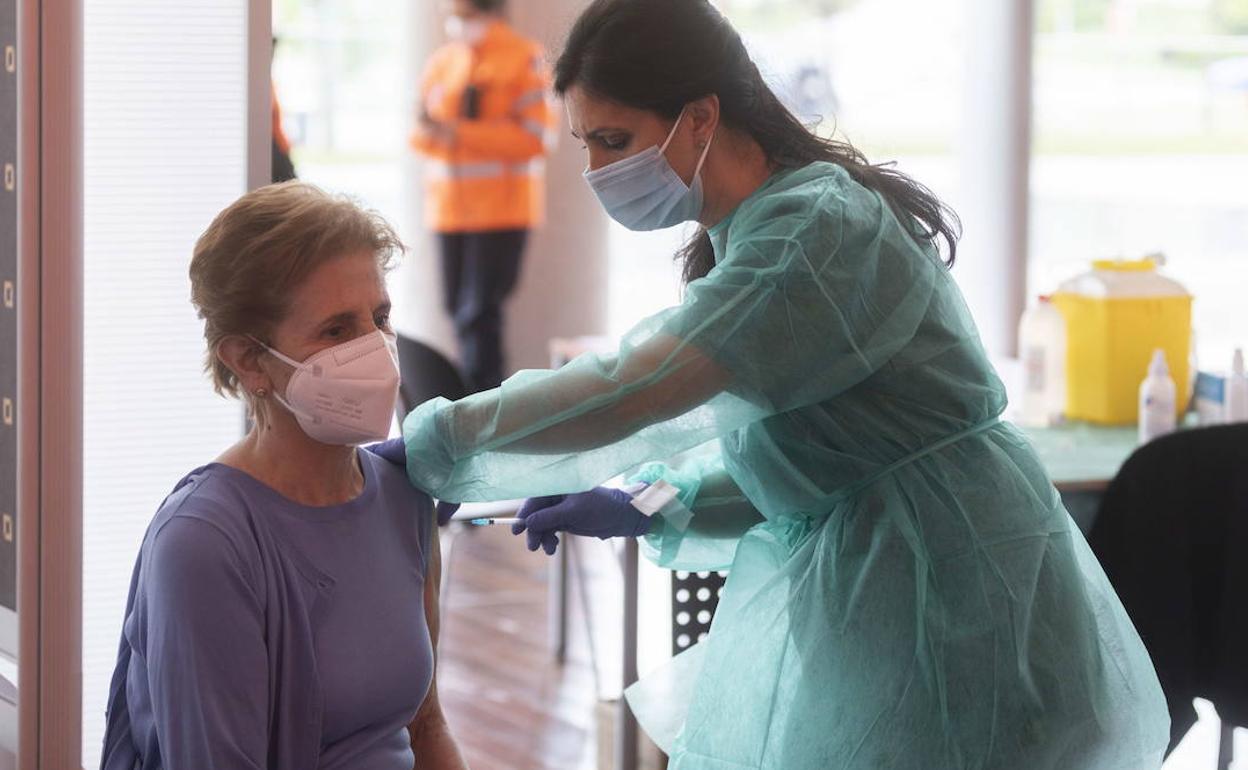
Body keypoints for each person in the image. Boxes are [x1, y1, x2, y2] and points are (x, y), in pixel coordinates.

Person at [396, 1, 1173, 767]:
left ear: (700, 117)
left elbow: (641, 386)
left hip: (964, 604)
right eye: (584, 144)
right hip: (897, 597)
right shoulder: (758, 230)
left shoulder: (810, 230)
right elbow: (826, 464)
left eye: (613, 140)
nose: (598, 170)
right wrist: (656, 500)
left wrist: (440, 439)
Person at [99, 183, 466, 770]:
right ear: (248, 360)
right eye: (337, 330)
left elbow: (426, 727)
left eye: (380, 317)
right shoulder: (205, 544)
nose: (376, 349)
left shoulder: (404, 494)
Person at [410, 0, 556, 391]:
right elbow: (419, 134)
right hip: (448, 212)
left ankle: (484, 410)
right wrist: (436, 133)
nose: (455, 21)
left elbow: (537, 138)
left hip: (501, 212)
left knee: (479, 319)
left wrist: (458, 134)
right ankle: (471, 409)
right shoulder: (443, 62)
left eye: (463, 13)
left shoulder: (523, 58)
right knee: (458, 314)